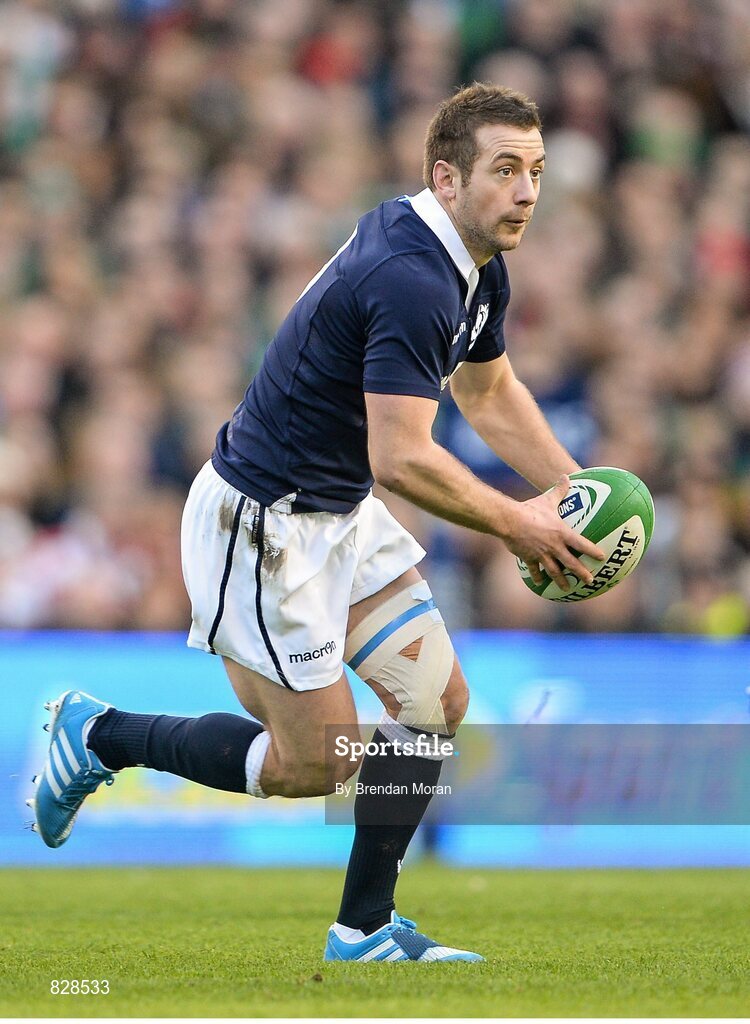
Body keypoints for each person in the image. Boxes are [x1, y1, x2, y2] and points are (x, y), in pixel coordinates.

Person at [29, 83, 604, 963]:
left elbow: (487, 393)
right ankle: (99, 732)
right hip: (261, 524)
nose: (527, 191)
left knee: (434, 700)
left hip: (336, 511)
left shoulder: (472, 262)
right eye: (505, 171)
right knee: (316, 765)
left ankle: (364, 930)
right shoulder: (412, 277)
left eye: (534, 171)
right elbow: (403, 457)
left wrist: (575, 494)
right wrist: (523, 526)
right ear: (446, 179)